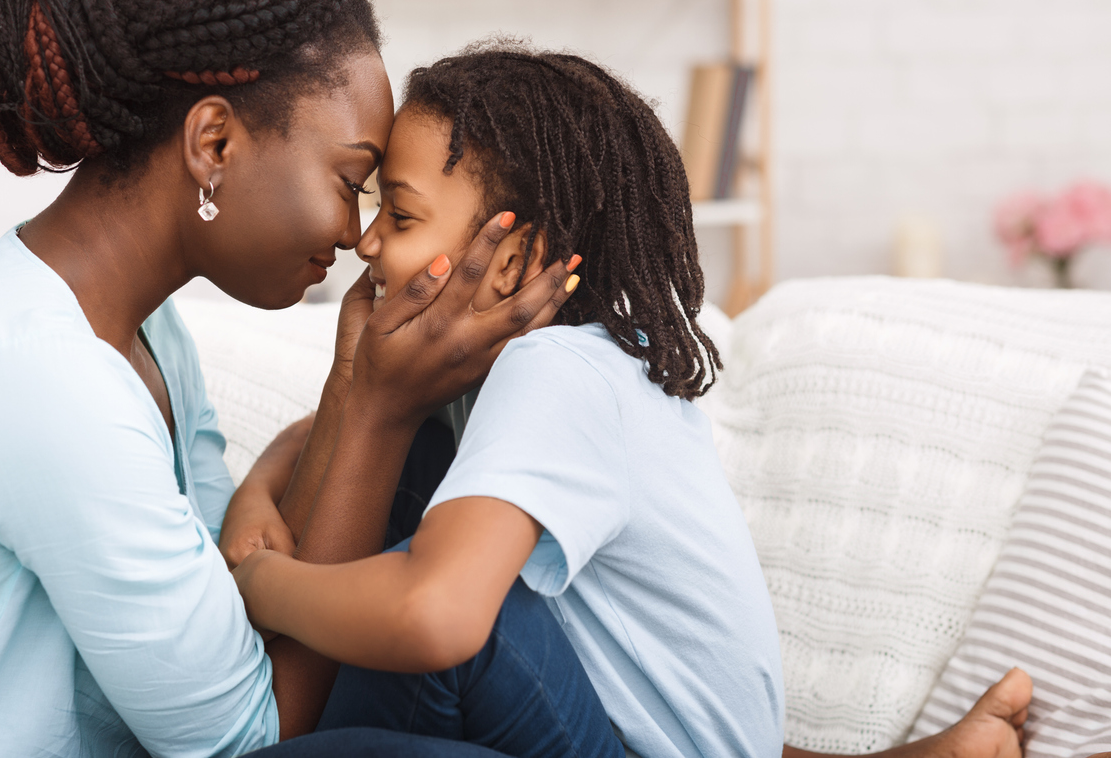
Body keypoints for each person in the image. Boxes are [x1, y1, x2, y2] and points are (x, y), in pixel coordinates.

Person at [0, 0, 578, 758]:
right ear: (214, 145)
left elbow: (238, 621)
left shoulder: (144, 331)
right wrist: (377, 410)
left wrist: (355, 384)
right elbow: (249, 739)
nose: (353, 234)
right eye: (349, 184)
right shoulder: (44, 379)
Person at [230, 45, 1038, 758]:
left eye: (398, 214)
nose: (366, 242)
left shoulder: (557, 372)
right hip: (630, 727)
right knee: (417, 463)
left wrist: (263, 583)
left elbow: (442, 619)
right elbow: (316, 439)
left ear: (514, 259)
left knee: (432, 602)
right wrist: (263, 484)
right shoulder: (535, 367)